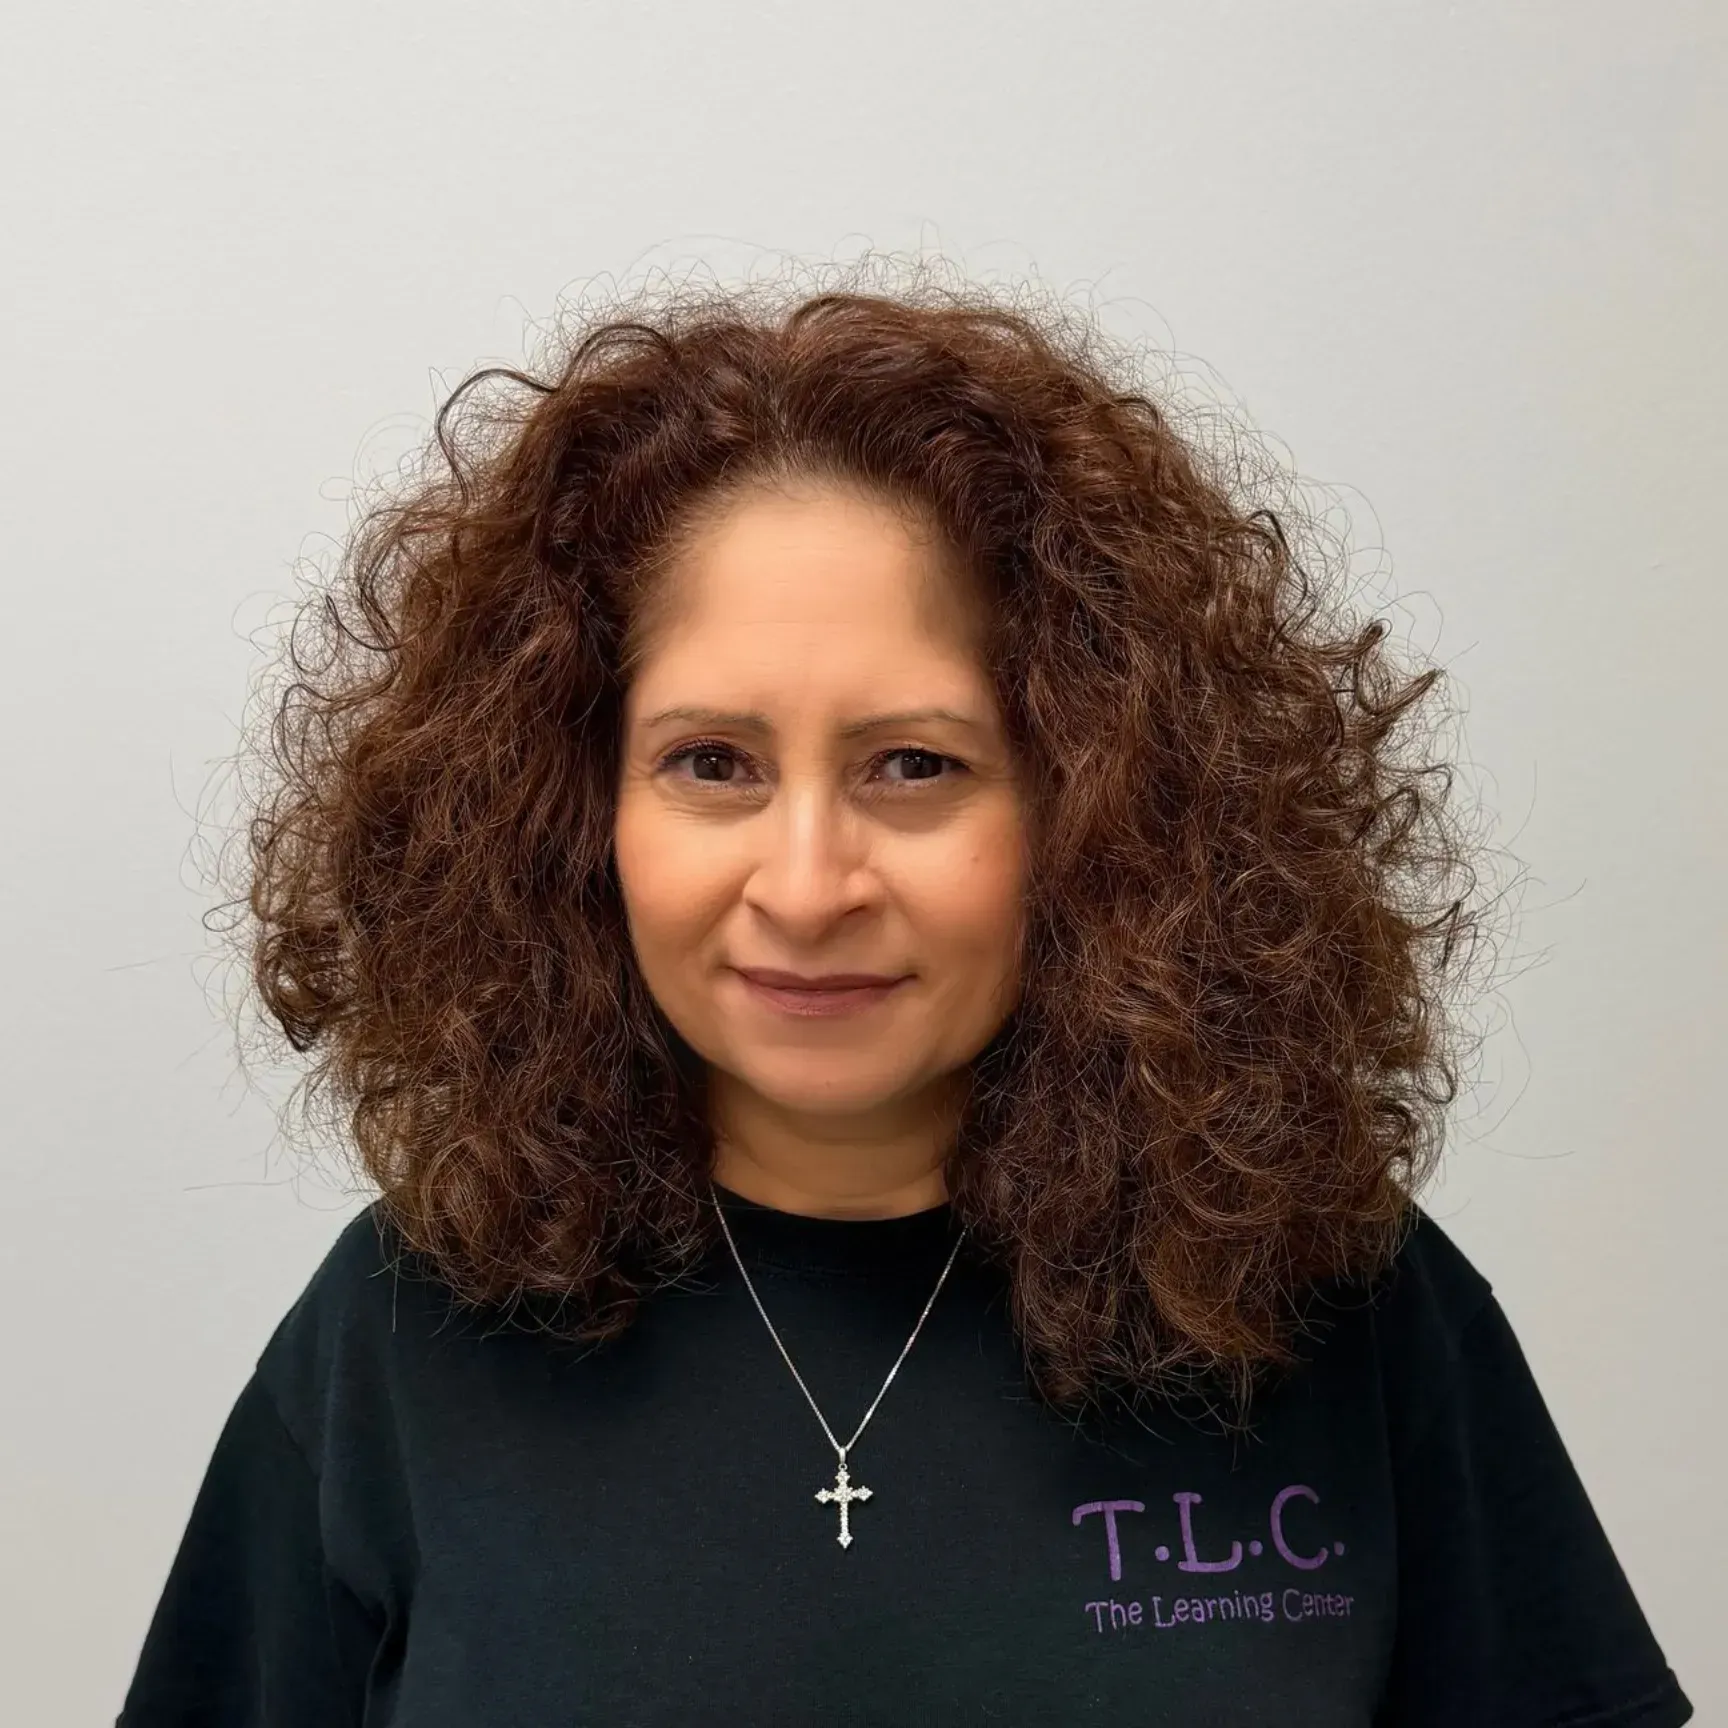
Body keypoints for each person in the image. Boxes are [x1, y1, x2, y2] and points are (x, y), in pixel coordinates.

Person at [117, 268, 1692, 1726]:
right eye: (712, 763)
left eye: (915, 766)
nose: (808, 886)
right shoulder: (398, 1340)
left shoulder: (1351, 1310)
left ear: (1100, 810)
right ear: (571, 813)